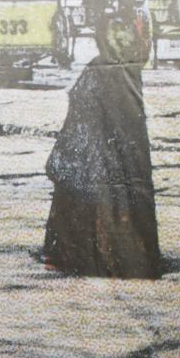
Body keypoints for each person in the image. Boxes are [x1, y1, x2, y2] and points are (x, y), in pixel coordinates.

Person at [42, 18, 160, 279]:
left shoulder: (101, 69)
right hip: (108, 151)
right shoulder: (128, 72)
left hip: (91, 149)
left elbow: (81, 103)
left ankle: (88, 256)